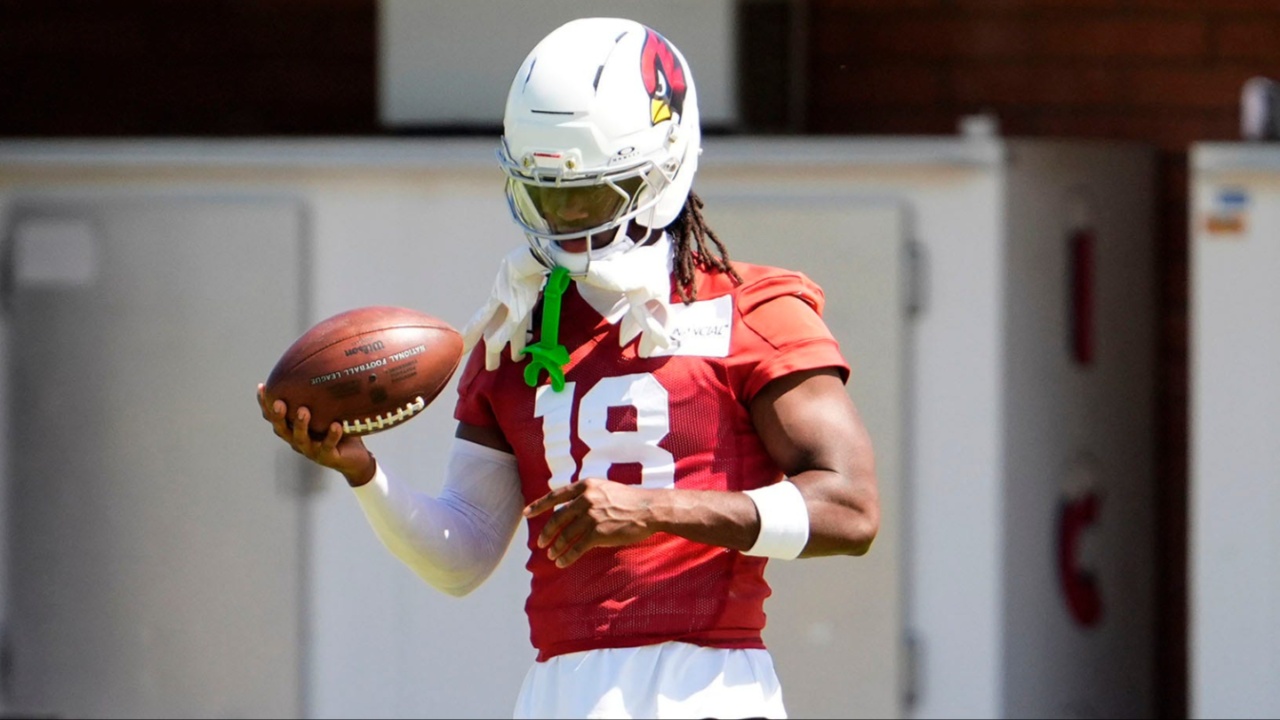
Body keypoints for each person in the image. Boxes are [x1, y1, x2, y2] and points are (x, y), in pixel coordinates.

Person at [257, 16, 879, 720]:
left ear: (664, 169)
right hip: (560, 694)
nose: (566, 220)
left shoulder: (753, 310)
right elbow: (461, 557)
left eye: (591, 194)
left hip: (706, 689)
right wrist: (363, 473)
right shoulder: (517, 334)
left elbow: (851, 511)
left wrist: (656, 509)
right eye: (548, 196)